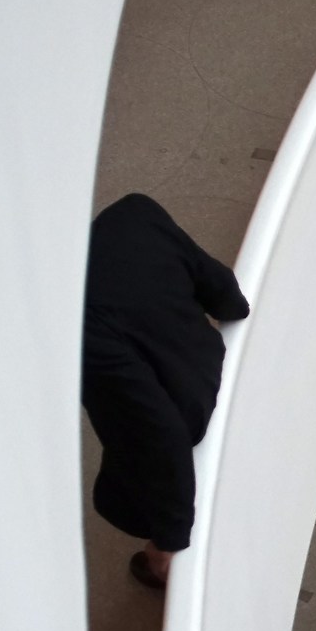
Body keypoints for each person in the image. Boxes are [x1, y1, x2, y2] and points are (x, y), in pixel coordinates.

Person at [81, 193, 249, 589]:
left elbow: (160, 433)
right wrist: (236, 310)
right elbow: (220, 287)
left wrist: (169, 543)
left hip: (187, 410)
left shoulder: (79, 329)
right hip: (209, 362)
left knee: (114, 500)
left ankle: (162, 554)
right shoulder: (133, 214)